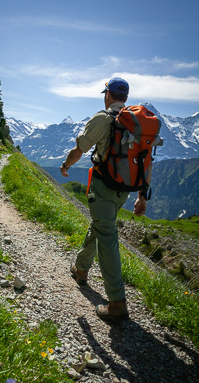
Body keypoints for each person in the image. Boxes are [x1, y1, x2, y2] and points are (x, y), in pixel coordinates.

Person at [60, 77, 147, 322]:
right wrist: (142, 196)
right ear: (126, 98)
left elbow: (79, 149)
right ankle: (81, 268)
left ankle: (117, 302)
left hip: (103, 186)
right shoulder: (137, 123)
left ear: (107, 94)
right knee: (101, 225)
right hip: (125, 188)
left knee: (107, 235)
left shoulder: (102, 118)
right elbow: (145, 162)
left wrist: (66, 165)